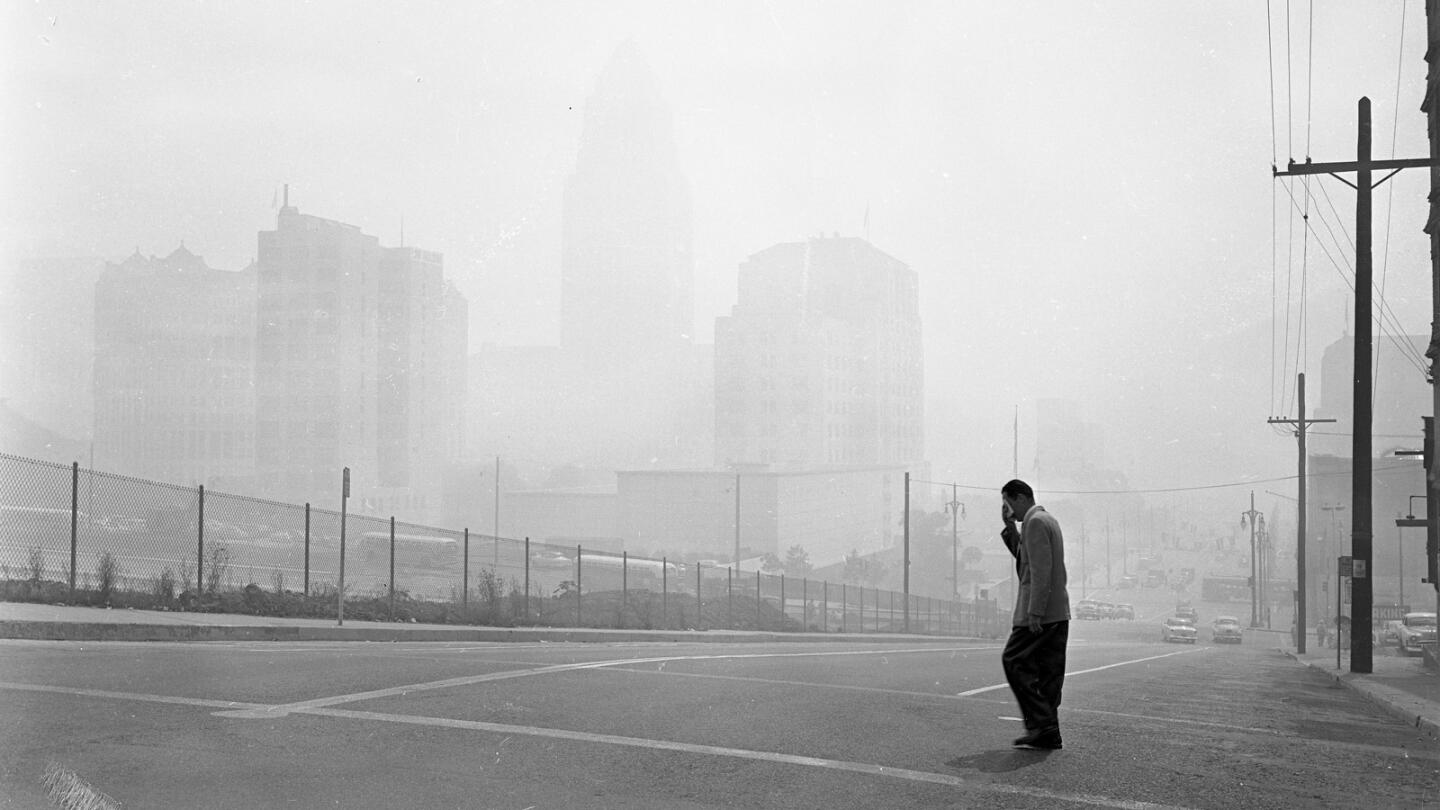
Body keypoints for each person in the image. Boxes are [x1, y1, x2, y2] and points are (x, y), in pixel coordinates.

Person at [999, 479, 1071, 750]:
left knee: (1014, 660)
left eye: (1007, 503)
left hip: (1040, 612)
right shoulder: (1045, 519)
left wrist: (1035, 613)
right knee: (1047, 672)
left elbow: (1040, 571)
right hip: (1057, 612)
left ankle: (1043, 724)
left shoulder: (1035, 522)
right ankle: (1048, 731)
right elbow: (1025, 559)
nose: (1008, 510)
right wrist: (1009, 528)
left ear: (1019, 498)